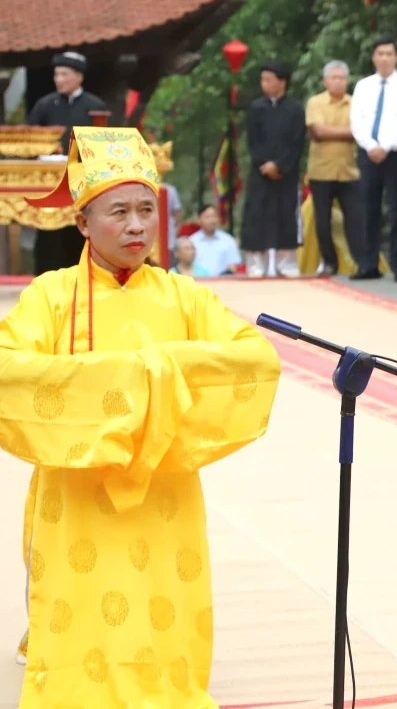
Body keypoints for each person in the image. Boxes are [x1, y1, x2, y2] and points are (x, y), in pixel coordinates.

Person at [5, 127, 280, 702]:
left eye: (146, 210)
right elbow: (10, 370)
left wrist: (155, 370)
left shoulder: (185, 297)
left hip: (164, 493)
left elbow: (252, 358)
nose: (136, 225)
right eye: (119, 212)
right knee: (79, 617)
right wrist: (141, 380)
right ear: (82, 222)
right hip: (76, 492)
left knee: (163, 611)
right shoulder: (50, 296)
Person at [26, 51, 109, 274]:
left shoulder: (95, 106)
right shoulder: (44, 105)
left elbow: (104, 145)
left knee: (78, 231)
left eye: (64, 74)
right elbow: (30, 140)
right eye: (56, 74)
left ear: (79, 77)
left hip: (82, 184)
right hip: (50, 184)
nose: (59, 79)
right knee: (48, 237)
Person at [349, 37, 397, 281]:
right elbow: (356, 121)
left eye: (389, 53)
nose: (384, 58)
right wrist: (371, 146)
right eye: (380, 53)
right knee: (368, 207)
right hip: (368, 151)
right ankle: (368, 264)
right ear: (373, 57)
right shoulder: (363, 85)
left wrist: (386, 147)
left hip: (395, 152)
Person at [243, 60, 306, 277]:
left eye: (269, 79)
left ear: (282, 82)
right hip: (260, 172)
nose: (264, 83)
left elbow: (297, 142)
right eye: (262, 79)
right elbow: (252, 141)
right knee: (256, 213)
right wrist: (265, 164)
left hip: (286, 173)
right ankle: (255, 263)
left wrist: (280, 165)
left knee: (286, 213)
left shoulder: (296, 108)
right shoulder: (256, 108)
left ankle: (286, 261)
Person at [306, 59, 367, 276]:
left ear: (347, 80)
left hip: (349, 171)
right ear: (325, 81)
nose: (338, 82)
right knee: (322, 221)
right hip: (321, 171)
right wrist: (351, 133)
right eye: (334, 78)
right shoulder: (315, 102)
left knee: (356, 219)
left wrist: (342, 132)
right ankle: (329, 262)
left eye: (342, 78)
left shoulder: (356, 103)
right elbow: (318, 132)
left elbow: (363, 132)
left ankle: (362, 263)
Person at [191, 204, 241, 276]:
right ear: (199, 220)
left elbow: (233, 266)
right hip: (198, 283)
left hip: (223, 283)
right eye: (207, 217)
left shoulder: (228, 240)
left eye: (214, 216)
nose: (211, 220)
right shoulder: (192, 241)